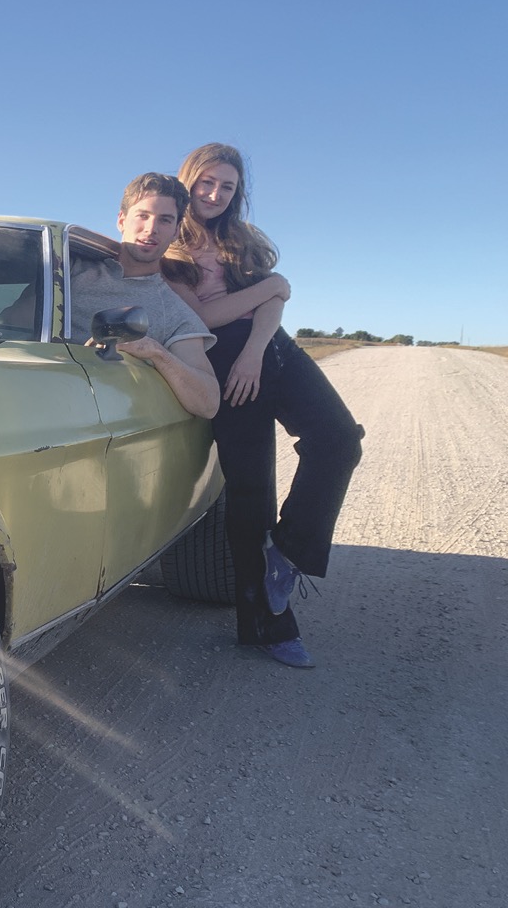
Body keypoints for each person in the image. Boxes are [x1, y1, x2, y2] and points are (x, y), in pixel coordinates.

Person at [162, 143, 363, 669]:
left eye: (226, 186)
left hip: (270, 350)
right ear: (188, 181)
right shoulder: (171, 246)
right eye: (206, 182)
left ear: (236, 193)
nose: (214, 194)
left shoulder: (243, 238)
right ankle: (265, 629)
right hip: (221, 364)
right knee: (252, 491)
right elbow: (206, 314)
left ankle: (289, 551)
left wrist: (256, 346)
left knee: (339, 439)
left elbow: (273, 302)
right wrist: (272, 288)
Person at [70, 172, 221, 420]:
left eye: (164, 220)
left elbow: (208, 403)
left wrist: (155, 352)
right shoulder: (68, 269)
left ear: (175, 231)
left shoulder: (171, 310)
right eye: (143, 216)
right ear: (121, 220)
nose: (151, 229)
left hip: (97, 421)